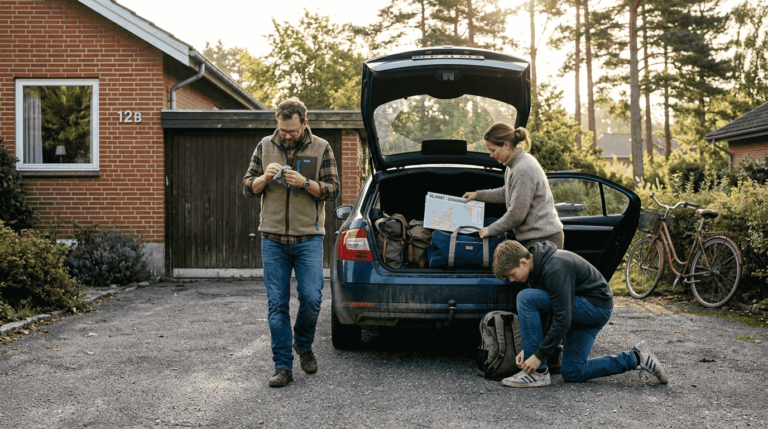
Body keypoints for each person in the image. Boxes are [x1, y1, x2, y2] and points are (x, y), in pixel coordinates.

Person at [242, 97, 340, 388]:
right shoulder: (264, 146)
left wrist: (306, 184)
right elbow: (247, 187)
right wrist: (263, 178)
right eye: (282, 130)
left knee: (312, 299)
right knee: (277, 305)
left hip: (308, 237)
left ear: (304, 124)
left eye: (292, 131)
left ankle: (304, 344)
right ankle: (282, 366)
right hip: (272, 240)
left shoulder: (322, 148)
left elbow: (334, 190)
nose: (286, 136)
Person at [491, 240, 668, 387]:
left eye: (511, 274)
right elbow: (545, 316)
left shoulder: (555, 268)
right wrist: (529, 348)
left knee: (525, 298)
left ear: (522, 262)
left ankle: (536, 374)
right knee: (572, 372)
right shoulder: (535, 270)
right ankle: (638, 358)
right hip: (585, 310)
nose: (512, 280)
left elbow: (562, 320)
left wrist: (537, 357)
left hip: (594, 308)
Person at [463, 123, 564, 250]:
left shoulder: (522, 169)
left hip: (543, 241)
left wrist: (490, 230)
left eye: (493, 150)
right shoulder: (514, 164)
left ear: (506, 145)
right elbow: (507, 193)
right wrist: (478, 195)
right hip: (535, 238)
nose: (491, 155)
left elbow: (516, 214)